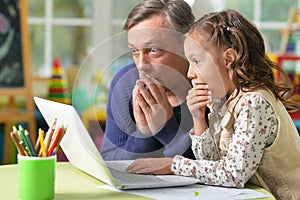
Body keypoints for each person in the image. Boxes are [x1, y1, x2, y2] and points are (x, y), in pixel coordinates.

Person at [126, 9, 300, 199]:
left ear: (228, 59)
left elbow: (233, 174)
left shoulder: (254, 102)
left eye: (197, 61)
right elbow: (210, 163)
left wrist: (172, 165)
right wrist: (199, 118)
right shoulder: (223, 100)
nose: (190, 73)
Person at [100, 0, 203, 160]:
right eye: (134, 51)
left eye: (154, 50)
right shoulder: (125, 84)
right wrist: (144, 134)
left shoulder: (211, 87)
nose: (141, 65)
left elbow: (214, 167)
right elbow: (109, 159)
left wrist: (166, 129)